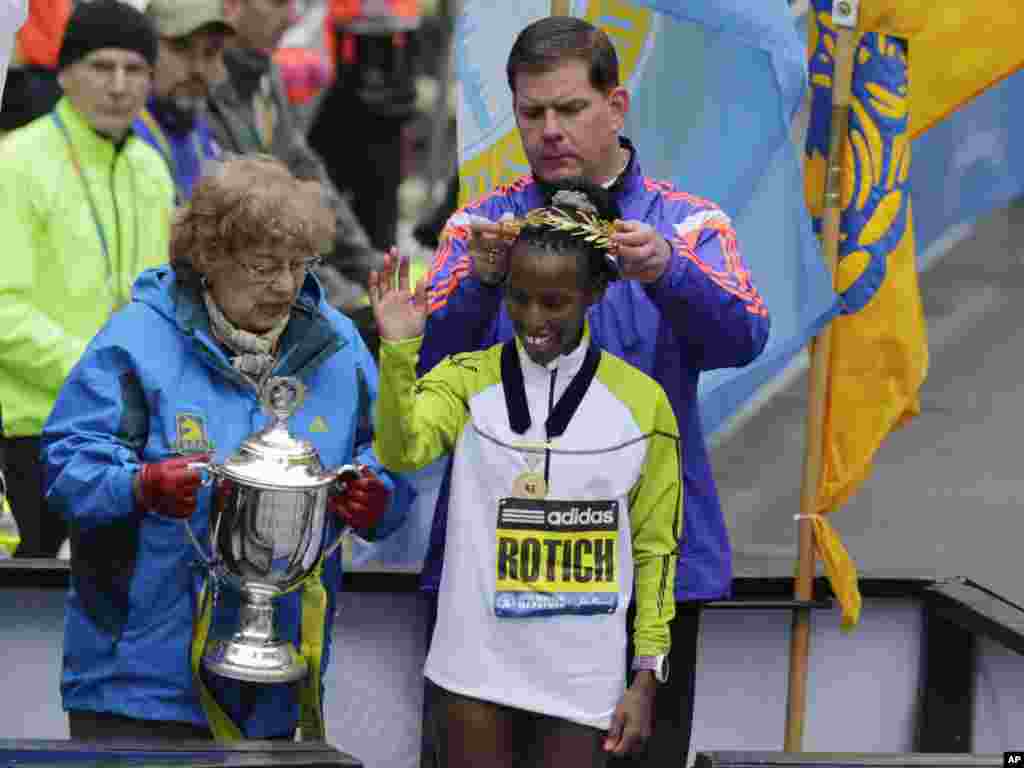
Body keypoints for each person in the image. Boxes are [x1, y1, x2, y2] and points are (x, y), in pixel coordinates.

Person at [418, 16, 771, 767]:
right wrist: (479, 287)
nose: (550, 130)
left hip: (642, 572)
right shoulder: (481, 226)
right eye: (530, 113)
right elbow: (424, 366)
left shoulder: (688, 222)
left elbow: (743, 337)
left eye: (571, 109)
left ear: (617, 105)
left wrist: (668, 273)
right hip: (491, 570)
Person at [41, 154, 406, 742]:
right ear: (207, 258)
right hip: (136, 687)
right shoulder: (137, 339)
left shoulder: (339, 347)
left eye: (298, 264)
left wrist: (377, 498)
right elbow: (65, 469)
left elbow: (392, 457)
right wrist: (141, 486)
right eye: (263, 266)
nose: (286, 286)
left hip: (274, 684)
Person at [371, 184, 681, 767]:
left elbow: (656, 546)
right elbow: (401, 450)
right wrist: (398, 354)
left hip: (582, 671)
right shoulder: (467, 377)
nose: (533, 319)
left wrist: (646, 673)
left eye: (555, 303)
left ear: (594, 293)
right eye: (518, 299)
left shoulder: (644, 404)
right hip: (474, 662)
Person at [0, 0, 172, 559]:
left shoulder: (151, 168)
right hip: (30, 433)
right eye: (101, 67)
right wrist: (100, 373)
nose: (119, 86)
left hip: (126, 436)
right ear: (65, 71)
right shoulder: (16, 162)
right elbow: (4, 311)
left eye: (134, 69)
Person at [208, 0, 383, 346]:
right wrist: (337, 292)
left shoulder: (263, 74)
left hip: (287, 280)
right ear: (230, 6)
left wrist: (369, 265)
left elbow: (304, 171)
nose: (288, 17)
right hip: (241, 302)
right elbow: (251, 223)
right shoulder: (200, 87)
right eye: (275, 2)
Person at [134, 0, 234, 203]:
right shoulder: (119, 135)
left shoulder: (199, 127)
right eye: (181, 47)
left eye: (211, 52)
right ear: (144, 50)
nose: (198, 68)